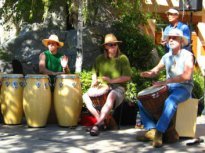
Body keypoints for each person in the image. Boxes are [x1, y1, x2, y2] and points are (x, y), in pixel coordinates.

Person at [136, 28, 194, 148]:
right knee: (142, 99)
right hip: (168, 87)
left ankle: (159, 132)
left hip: (184, 88)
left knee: (170, 101)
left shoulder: (188, 55)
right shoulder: (166, 57)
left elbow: (186, 76)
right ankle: (150, 129)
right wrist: (148, 73)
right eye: (169, 38)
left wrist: (165, 82)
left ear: (181, 41)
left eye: (174, 38)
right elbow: (156, 70)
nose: (171, 40)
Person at [83, 33, 132, 136]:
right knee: (85, 96)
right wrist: (93, 83)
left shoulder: (123, 58)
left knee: (111, 95)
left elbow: (127, 77)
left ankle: (97, 124)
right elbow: (94, 73)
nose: (113, 47)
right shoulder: (100, 59)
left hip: (118, 88)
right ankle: (99, 121)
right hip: (102, 87)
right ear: (105, 46)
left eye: (115, 44)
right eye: (110, 45)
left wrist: (110, 81)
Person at [39, 34, 70, 123]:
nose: (51, 45)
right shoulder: (43, 55)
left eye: (53, 43)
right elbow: (41, 69)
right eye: (49, 43)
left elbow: (67, 73)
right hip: (46, 86)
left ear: (57, 45)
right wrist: (55, 73)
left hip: (59, 86)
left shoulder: (62, 56)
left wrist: (65, 67)